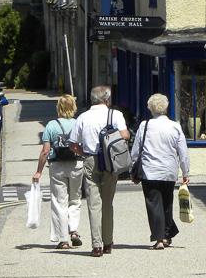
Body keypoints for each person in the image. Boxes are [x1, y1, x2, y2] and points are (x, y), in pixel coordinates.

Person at [67, 85, 129, 257]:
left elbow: (72, 144)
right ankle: (108, 242)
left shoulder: (83, 117)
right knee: (107, 203)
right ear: (107, 99)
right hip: (111, 161)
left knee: (94, 204)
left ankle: (96, 246)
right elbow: (124, 135)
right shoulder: (115, 115)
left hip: (90, 159)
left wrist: (84, 153)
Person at [131, 93, 190, 249]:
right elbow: (183, 152)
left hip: (150, 170)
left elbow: (136, 150)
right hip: (169, 170)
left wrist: (132, 165)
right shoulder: (175, 126)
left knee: (153, 204)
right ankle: (166, 234)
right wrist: (186, 172)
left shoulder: (145, 125)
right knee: (166, 203)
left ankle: (159, 238)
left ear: (151, 108)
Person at [32, 94, 83, 249]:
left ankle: (63, 240)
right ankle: (73, 231)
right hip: (76, 164)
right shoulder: (78, 123)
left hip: (57, 166)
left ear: (59, 107)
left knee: (59, 201)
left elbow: (45, 151)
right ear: (73, 107)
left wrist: (38, 171)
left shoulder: (51, 125)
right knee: (75, 199)